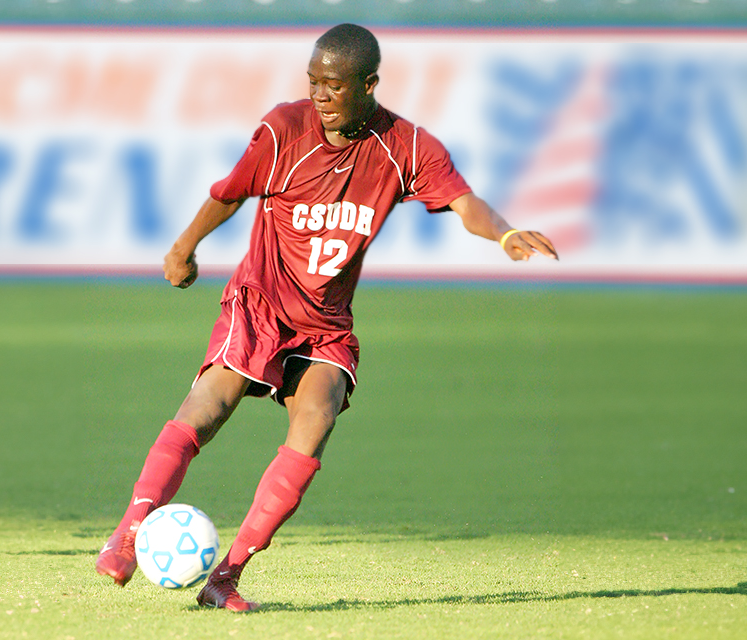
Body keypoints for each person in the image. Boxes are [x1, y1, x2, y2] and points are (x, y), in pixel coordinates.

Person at [95, 23, 558, 612]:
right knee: (208, 411)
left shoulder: (406, 148)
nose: (319, 96)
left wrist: (505, 232)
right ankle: (131, 531)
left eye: (333, 86)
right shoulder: (285, 130)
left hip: (325, 324)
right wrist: (183, 248)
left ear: (368, 85)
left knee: (315, 421)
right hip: (261, 298)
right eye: (312, 82)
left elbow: (465, 202)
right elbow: (231, 192)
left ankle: (226, 576)